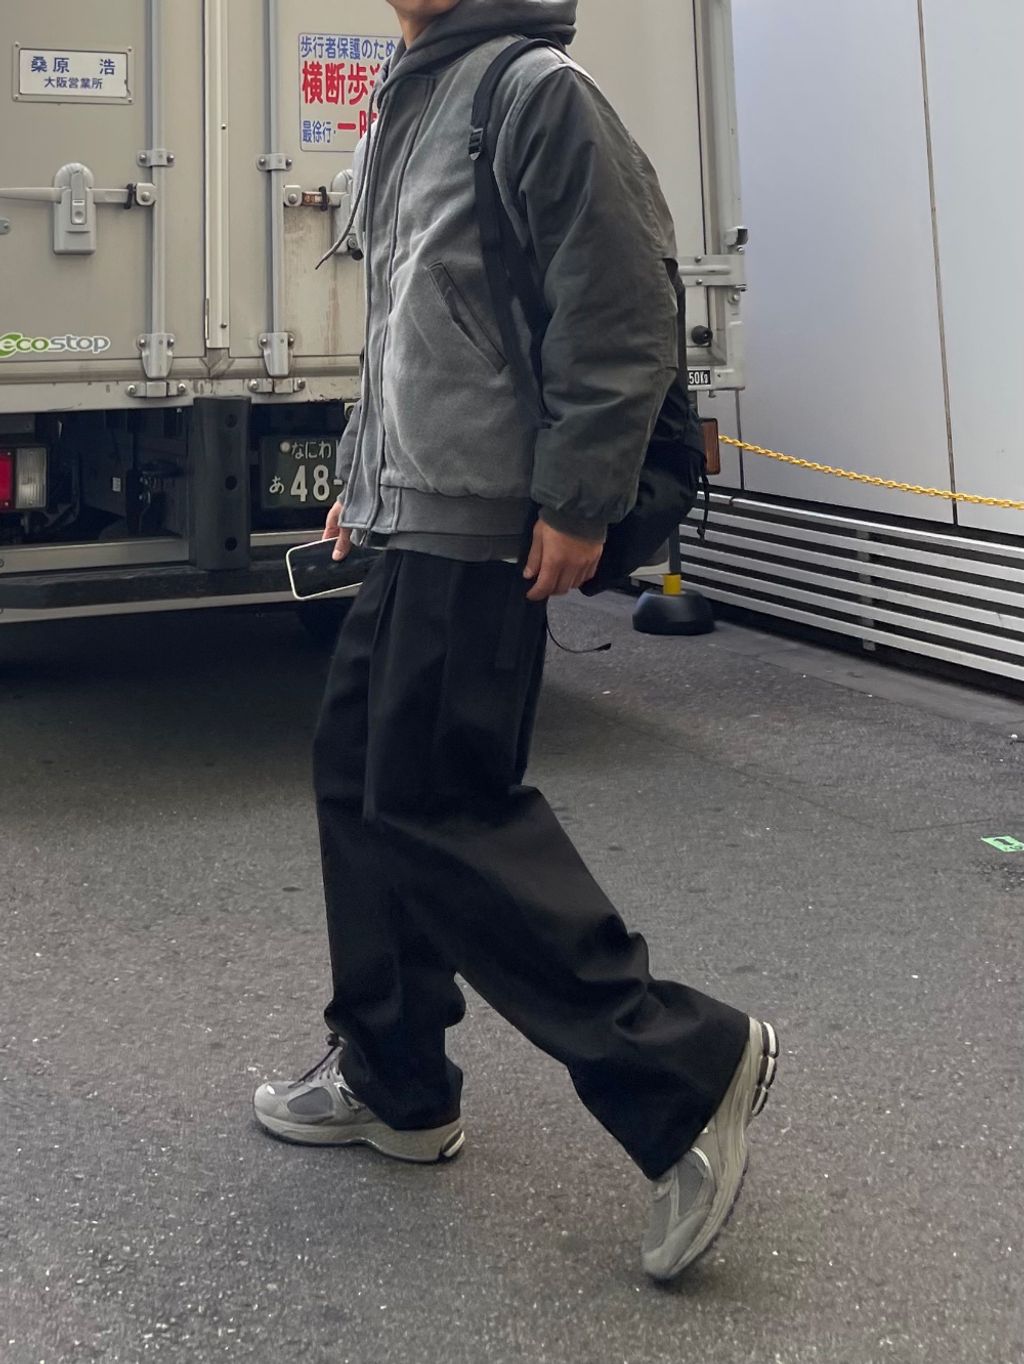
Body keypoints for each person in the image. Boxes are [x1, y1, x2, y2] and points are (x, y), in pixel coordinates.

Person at [254, 0, 778, 1281]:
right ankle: (395, 1077)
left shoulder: (536, 90)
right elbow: (406, 320)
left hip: (487, 519)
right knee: (357, 779)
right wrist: (363, 478)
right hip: (414, 511)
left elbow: (621, 309)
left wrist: (579, 498)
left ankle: (683, 1065)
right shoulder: (414, 93)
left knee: (440, 801)